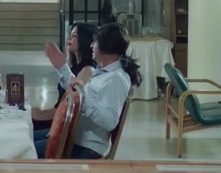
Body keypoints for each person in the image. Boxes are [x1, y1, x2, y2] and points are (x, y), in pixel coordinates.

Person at [34, 22, 142, 159]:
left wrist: (82, 97)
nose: (91, 45)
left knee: (24, 150)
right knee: (24, 138)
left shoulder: (116, 78)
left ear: (106, 47)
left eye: (95, 42)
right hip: (72, 137)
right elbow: (76, 88)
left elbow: (110, 121)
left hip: (85, 147)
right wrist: (61, 67)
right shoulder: (103, 72)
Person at [32, 22, 97, 131]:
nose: (69, 38)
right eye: (70, 34)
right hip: (57, 117)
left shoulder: (88, 70)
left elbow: (70, 106)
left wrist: (41, 115)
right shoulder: (76, 67)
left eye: (75, 35)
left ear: (86, 40)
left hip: (62, 124)